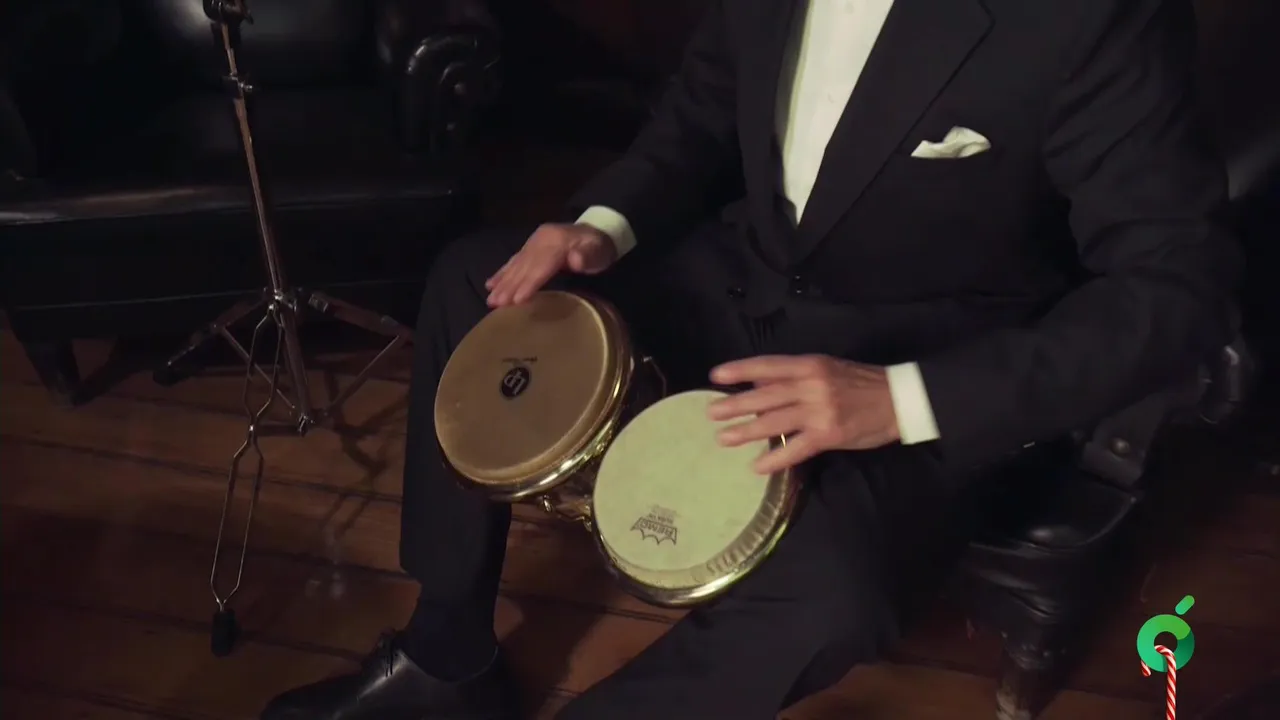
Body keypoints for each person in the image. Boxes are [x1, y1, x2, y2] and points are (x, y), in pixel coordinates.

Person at [260, 0, 1239, 718]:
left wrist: (897, 400)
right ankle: (448, 657)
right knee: (475, 288)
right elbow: (697, 113)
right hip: (740, 278)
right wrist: (604, 223)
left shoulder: (1092, 18)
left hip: (918, 360)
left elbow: (1174, 288)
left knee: (838, 586)